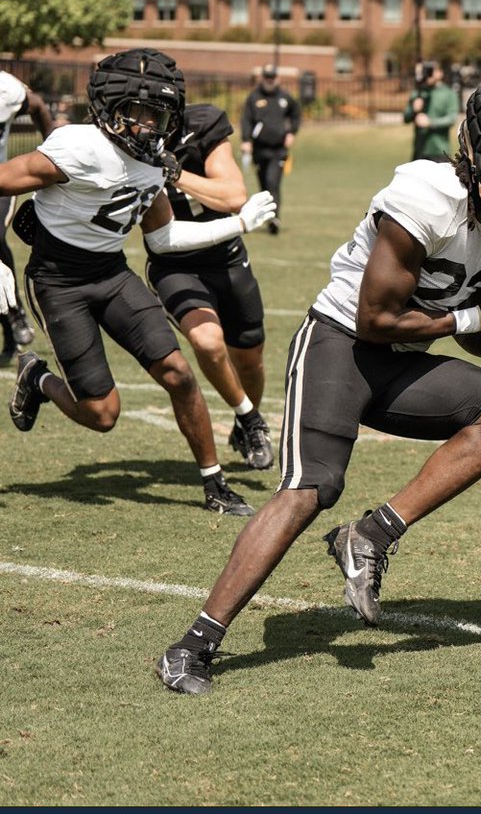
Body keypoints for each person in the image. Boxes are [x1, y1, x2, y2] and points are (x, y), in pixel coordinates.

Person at [155, 78, 481, 695]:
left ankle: (371, 535)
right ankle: (192, 645)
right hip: (341, 343)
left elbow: (470, 328)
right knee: (310, 488)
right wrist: (469, 319)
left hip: (401, 360)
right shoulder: (425, 196)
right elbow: (375, 318)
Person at [1, 48, 276, 514]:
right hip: (57, 281)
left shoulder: (153, 162)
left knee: (180, 374)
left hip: (111, 274)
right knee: (102, 415)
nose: (150, 124)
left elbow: (164, 238)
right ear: (109, 109)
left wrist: (240, 224)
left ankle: (214, 484)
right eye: (138, 112)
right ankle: (39, 377)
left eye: (159, 113)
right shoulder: (77, 147)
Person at [144, 102, 274, 470]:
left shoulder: (202, 125)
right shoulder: (122, 143)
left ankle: (245, 418)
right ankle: (249, 418)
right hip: (175, 265)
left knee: (250, 360)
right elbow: (160, 237)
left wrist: (176, 174)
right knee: (207, 342)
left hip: (228, 258)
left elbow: (233, 196)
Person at [0, 69, 54, 363]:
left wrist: (53, 146)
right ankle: (11, 331)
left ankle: (17, 313)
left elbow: (37, 105)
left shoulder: (7, 89)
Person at [240, 63, 300, 235]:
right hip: (260, 149)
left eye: (272, 77)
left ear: (277, 78)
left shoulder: (285, 97)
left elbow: (296, 115)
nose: (269, 80)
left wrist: (291, 133)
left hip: (279, 150)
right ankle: (268, 217)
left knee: (273, 182)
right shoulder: (254, 97)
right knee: (264, 185)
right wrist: (246, 140)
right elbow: (246, 119)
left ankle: (274, 218)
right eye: (267, 77)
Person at [404, 60, 460, 162]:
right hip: (419, 151)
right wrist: (413, 109)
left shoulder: (448, 93)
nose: (427, 75)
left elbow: (452, 118)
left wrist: (430, 122)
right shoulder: (417, 93)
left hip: (439, 151)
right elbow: (406, 118)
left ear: (440, 73)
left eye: (430, 71)